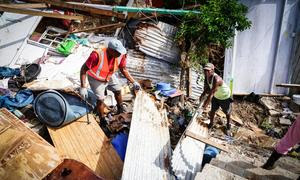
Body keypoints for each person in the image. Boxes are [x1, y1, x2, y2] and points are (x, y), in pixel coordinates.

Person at [79, 39, 140, 122]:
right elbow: (83, 69)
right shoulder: (97, 55)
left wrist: (133, 81)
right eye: (118, 52)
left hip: (109, 75)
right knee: (100, 99)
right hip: (96, 78)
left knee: (118, 90)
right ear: (110, 50)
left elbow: (123, 69)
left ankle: (120, 108)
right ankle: (102, 119)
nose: (120, 54)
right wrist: (83, 87)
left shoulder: (120, 55)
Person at [199, 63, 232, 134]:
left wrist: (203, 107)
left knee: (227, 112)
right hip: (216, 96)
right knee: (213, 110)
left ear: (212, 70)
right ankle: (211, 124)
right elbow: (208, 87)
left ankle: (228, 126)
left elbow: (211, 94)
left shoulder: (217, 79)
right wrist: (203, 94)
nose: (206, 72)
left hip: (224, 96)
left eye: (208, 70)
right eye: (205, 70)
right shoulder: (207, 76)